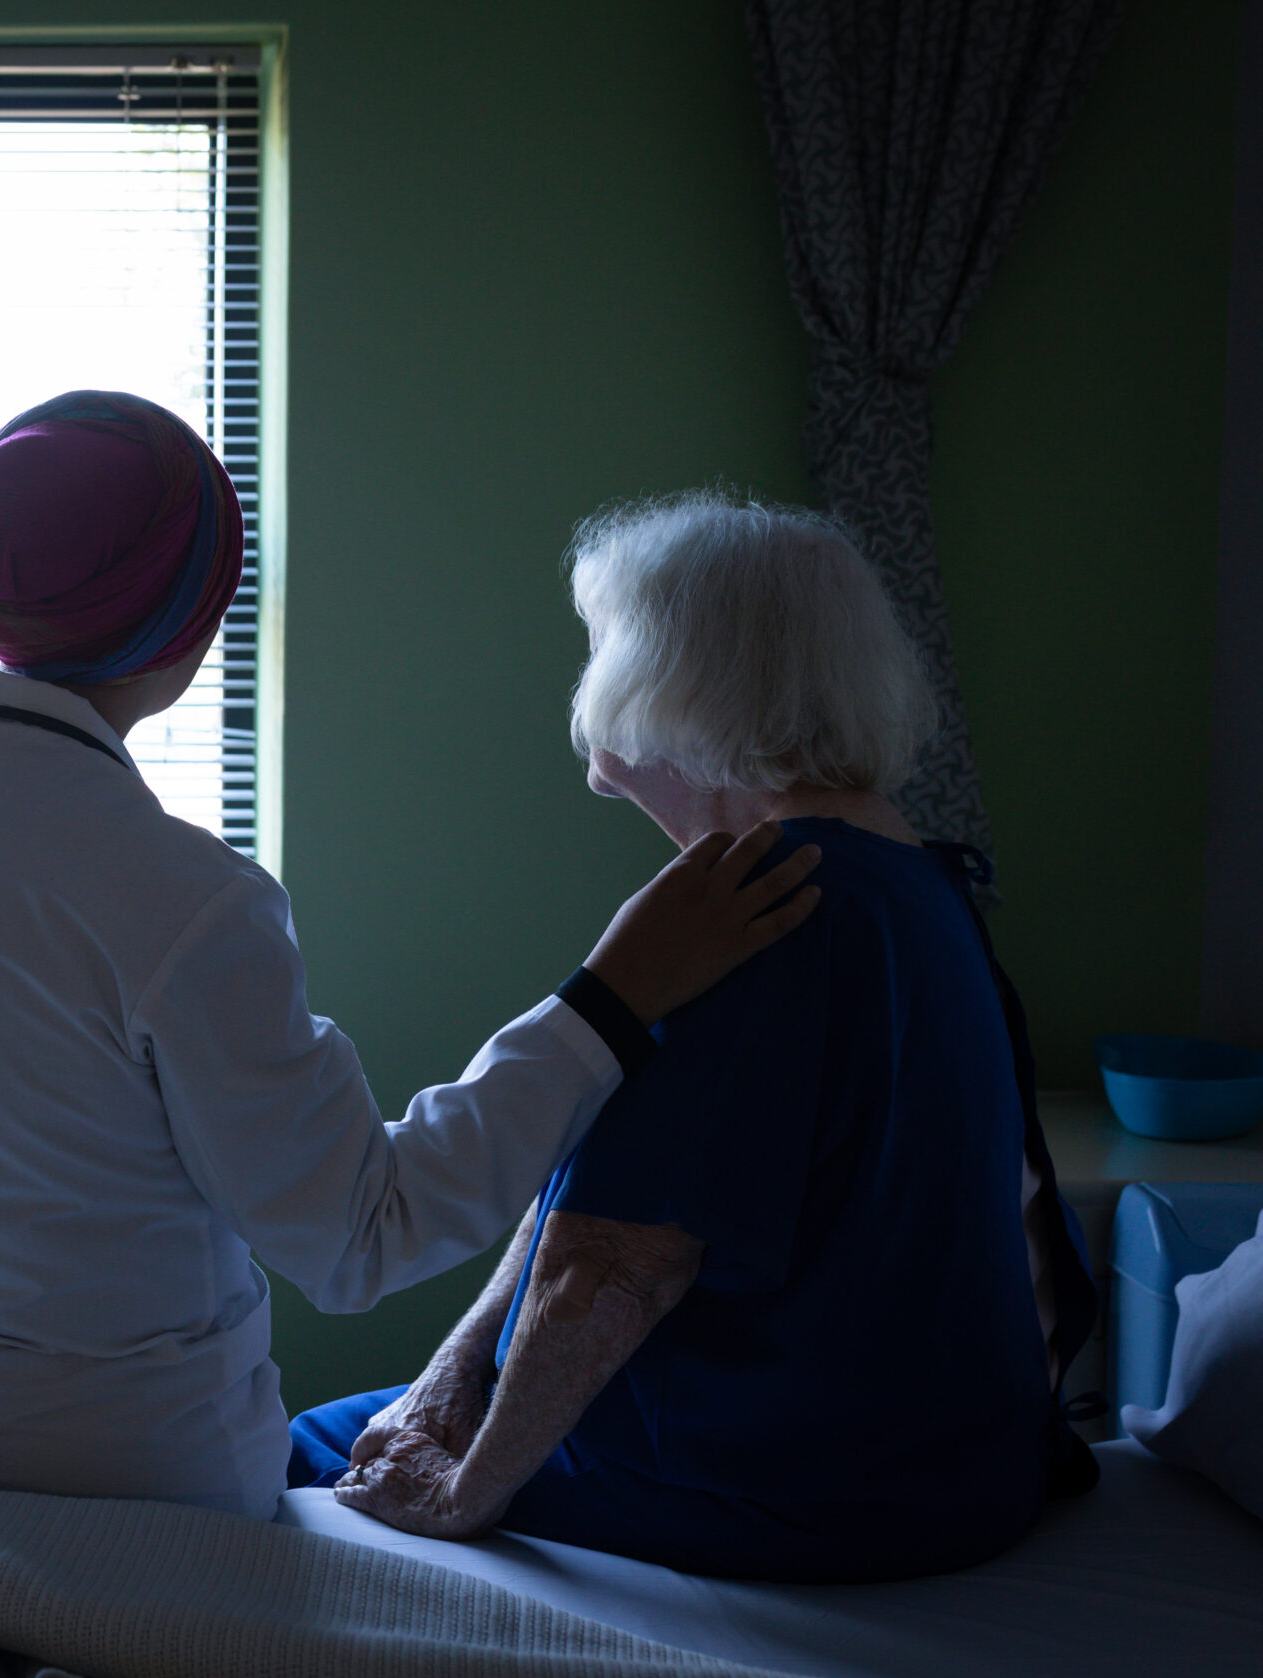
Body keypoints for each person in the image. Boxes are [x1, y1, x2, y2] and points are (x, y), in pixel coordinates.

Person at [0, 402, 822, 1521]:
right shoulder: (183, 899)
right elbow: (358, 1238)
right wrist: (608, 1001)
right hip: (88, 1479)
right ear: (195, 617)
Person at [297, 491, 1098, 1579]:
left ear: (667, 685)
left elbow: (612, 1267)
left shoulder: (769, 910)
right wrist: (449, 1380)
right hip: (951, 1470)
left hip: (816, 1490)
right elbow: (579, 1205)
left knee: (302, 1450)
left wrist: (464, 1491)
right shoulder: (910, 875)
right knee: (384, 1418)